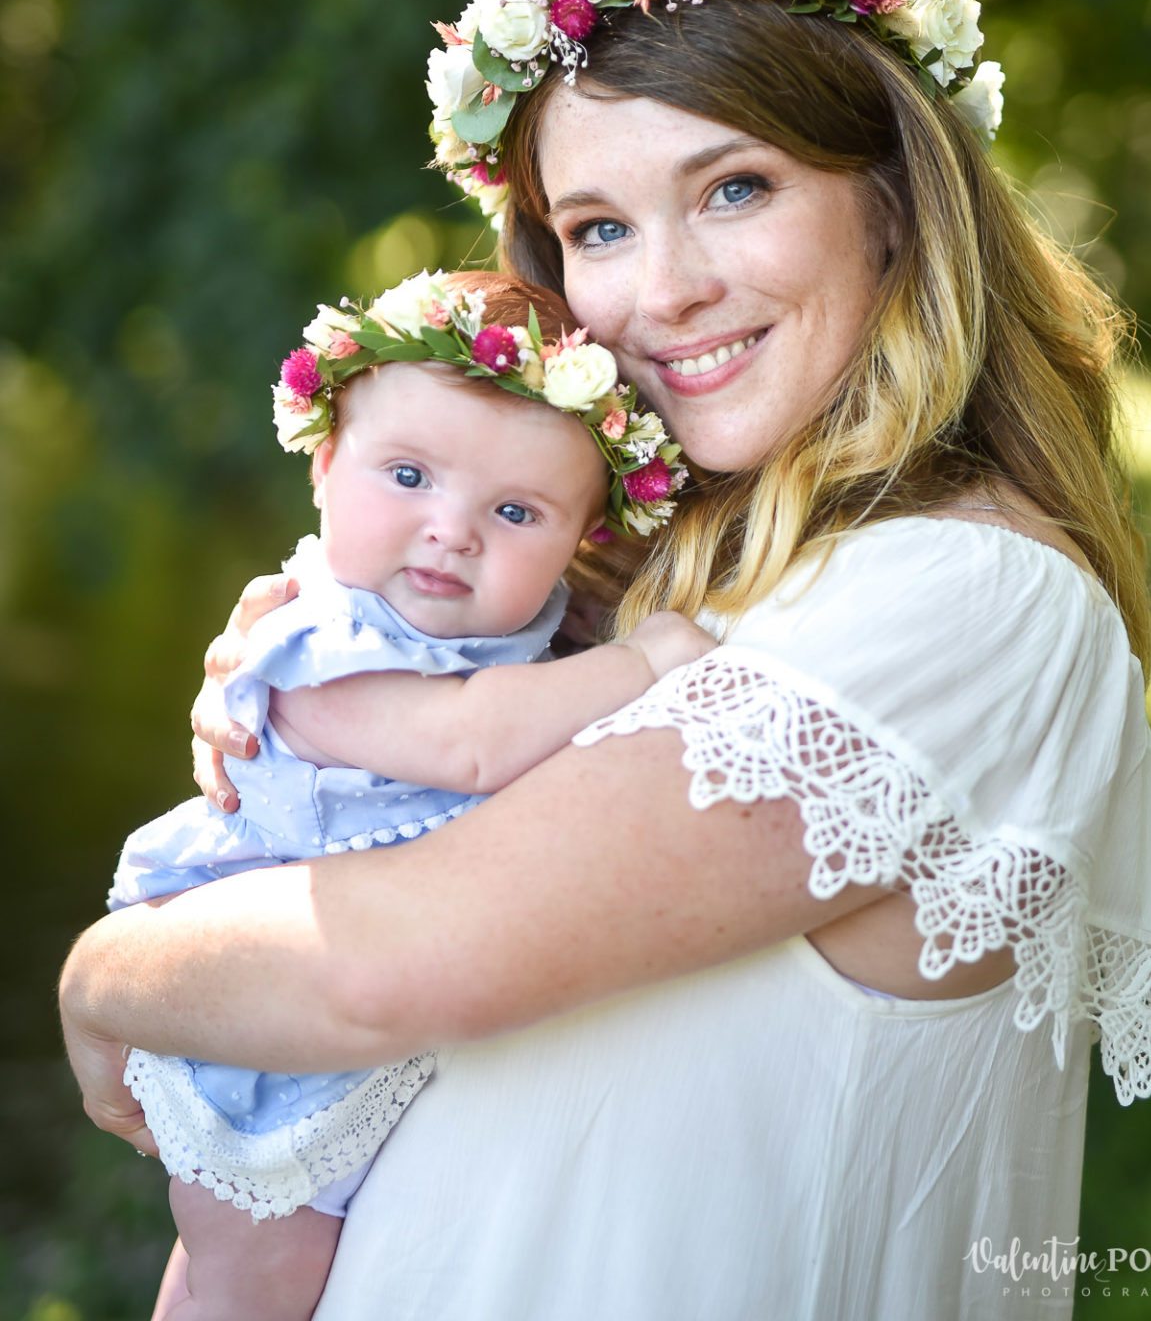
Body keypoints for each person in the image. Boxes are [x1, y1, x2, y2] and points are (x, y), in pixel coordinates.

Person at [61, 0, 1151, 1320]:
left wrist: (105, 977)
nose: (662, 291)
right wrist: (334, 664)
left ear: (896, 210)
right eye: (597, 230)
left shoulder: (965, 594)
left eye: (733, 189)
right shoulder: (672, 585)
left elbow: (398, 962)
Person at [105, 266, 705, 1321]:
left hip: (373, 1008)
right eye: (409, 476)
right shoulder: (316, 641)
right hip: (271, 1008)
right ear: (325, 464)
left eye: (514, 510)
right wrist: (651, 660)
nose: (452, 529)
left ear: (582, 542)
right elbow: (470, 746)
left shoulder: (505, 640)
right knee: (258, 1277)